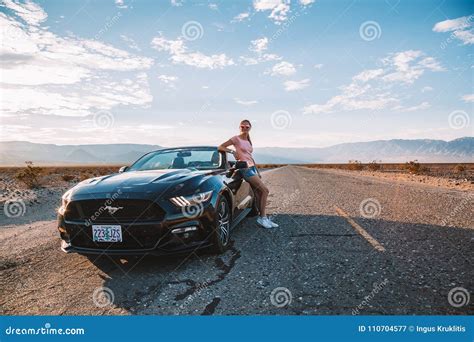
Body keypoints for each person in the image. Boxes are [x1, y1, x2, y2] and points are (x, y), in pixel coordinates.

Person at [218, 119, 278, 229]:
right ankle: (262, 218)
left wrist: (257, 171)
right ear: (239, 127)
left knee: (259, 193)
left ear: (250, 128)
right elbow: (220, 147)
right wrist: (232, 152)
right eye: (242, 127)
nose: (245, 128)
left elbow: (250, 156)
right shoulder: (235, 139)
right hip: (244, 168)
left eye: (247, 127)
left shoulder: (248, 140)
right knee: (265, 190)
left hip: (252, 168)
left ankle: (263, 217)